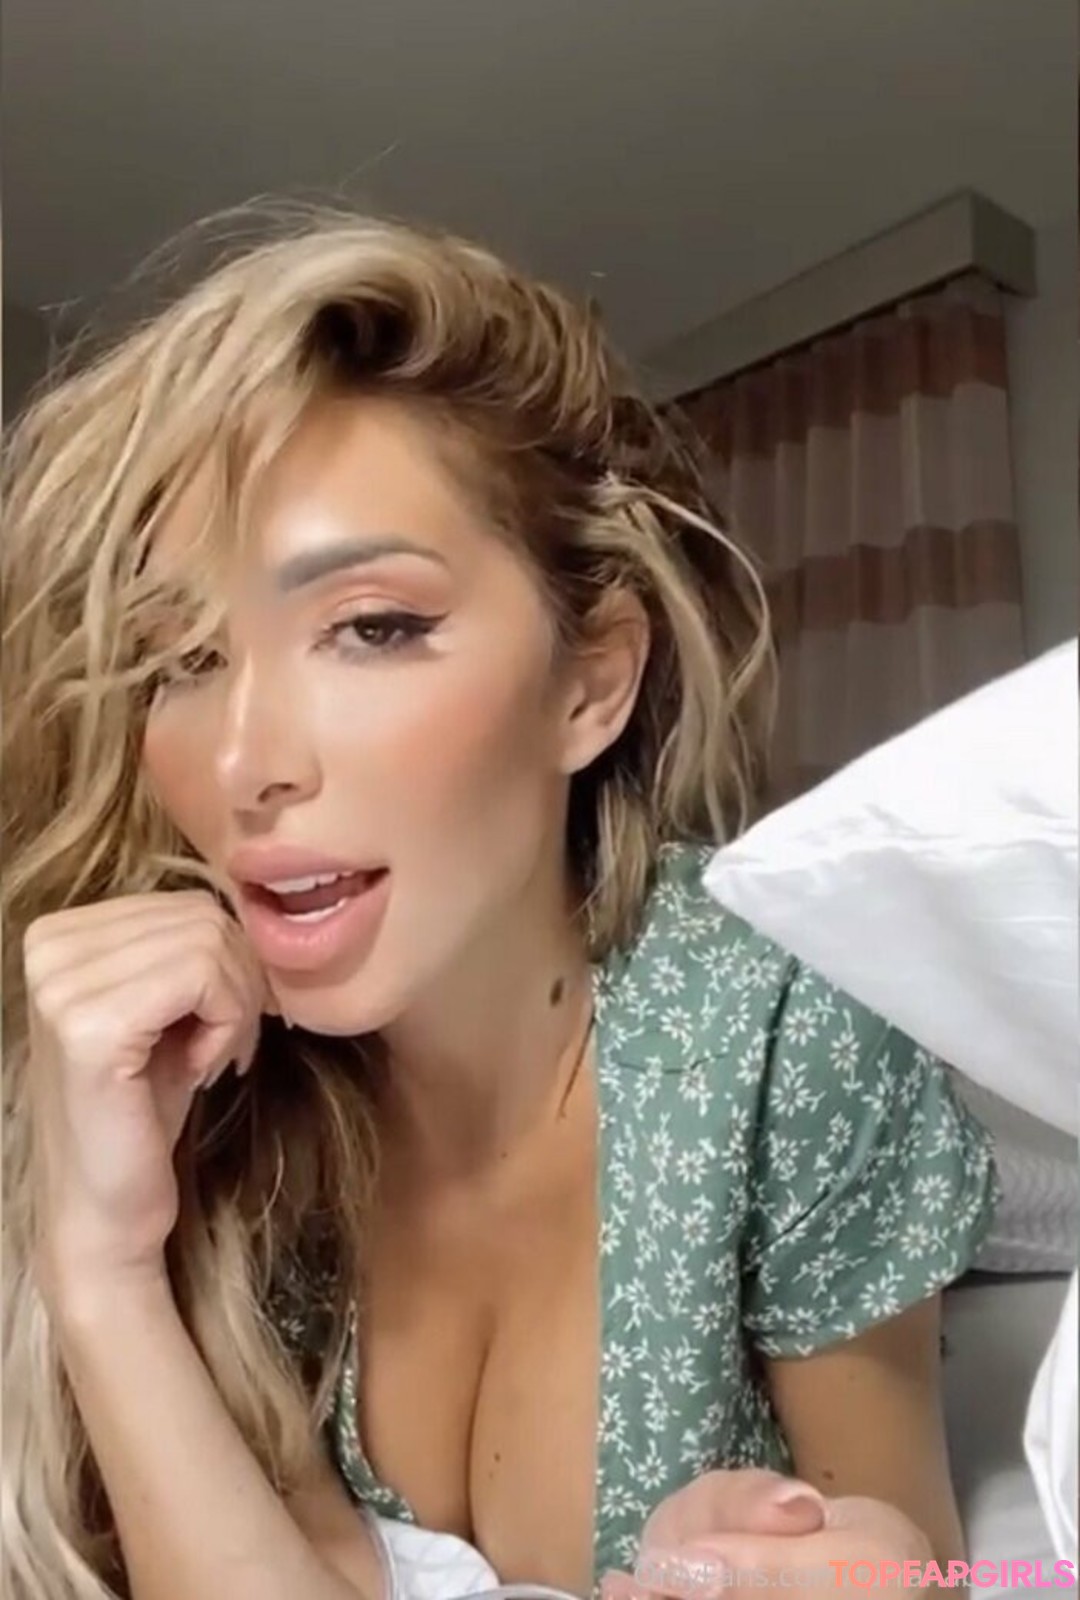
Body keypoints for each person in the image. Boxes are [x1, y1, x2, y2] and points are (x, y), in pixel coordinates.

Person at [1, 209, 1000, 1600]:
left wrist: (846, 1565)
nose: (240, 764)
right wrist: (100, 1263)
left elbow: (907, 1561)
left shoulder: (783, 1025)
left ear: (590, 684)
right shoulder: (215, 1097)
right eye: (181, 659)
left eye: (373, 628)